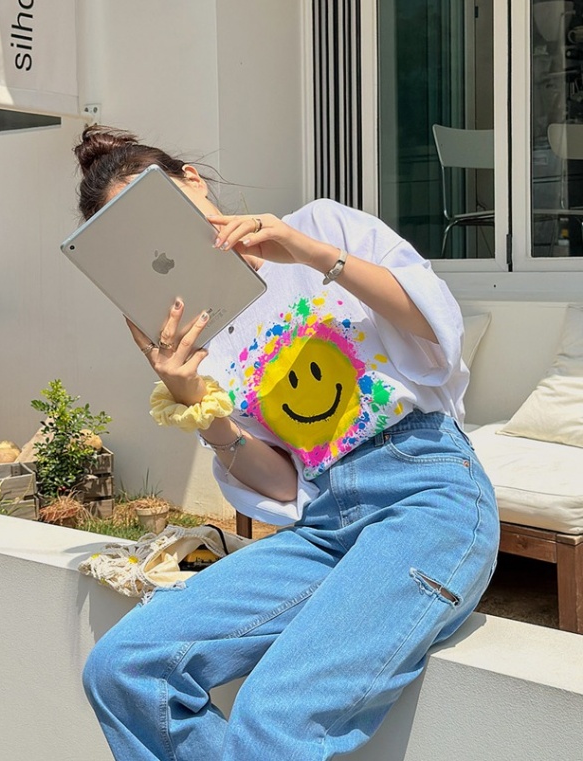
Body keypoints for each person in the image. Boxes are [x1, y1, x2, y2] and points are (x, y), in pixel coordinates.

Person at [77, 125, 499, 761]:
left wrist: (308, 253)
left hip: (425, 495)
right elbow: (282, 483)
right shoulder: (204, 336)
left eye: (156, 206)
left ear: (192, 178)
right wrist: (193, 399)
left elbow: (435, 324)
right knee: (126, 667)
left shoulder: (321, 225)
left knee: (273, 714)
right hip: (324, 526)